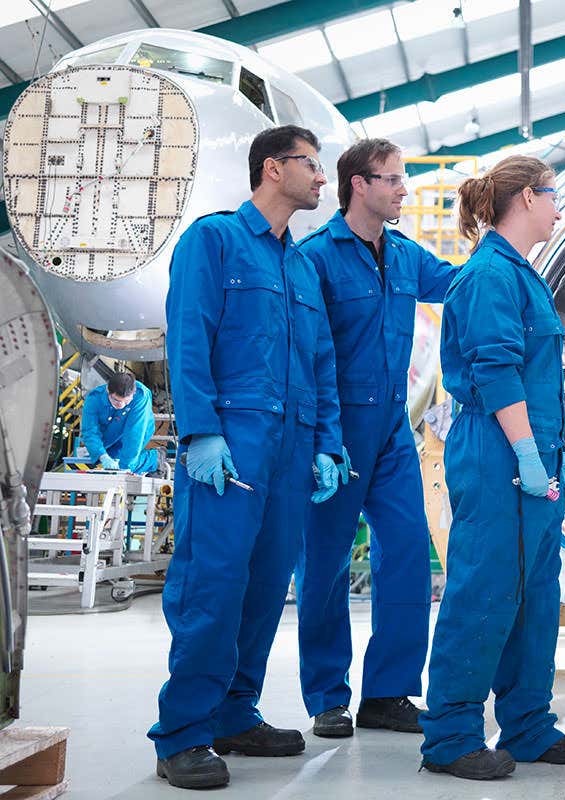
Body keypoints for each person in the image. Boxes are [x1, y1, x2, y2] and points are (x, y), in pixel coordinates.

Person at [148, 125, 346, 790]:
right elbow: (189, 335)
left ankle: (234, 712)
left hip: (290, 450)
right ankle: (182, 732)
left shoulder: (300, 265)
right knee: (215, 584)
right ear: (272, 168)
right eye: (311, 167)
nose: (322, 180)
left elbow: (320, 363)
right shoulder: (215, 240)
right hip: (232, 446)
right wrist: (200, 430)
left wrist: (326, 445)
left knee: (265, 588)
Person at [419, 155, 565, 780]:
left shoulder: (521, 274)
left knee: (534, 594)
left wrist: (549, 455)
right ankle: (450, 736)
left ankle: (527, 725)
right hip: (498, 447)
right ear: (524, 198)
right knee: (484, 589)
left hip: (530, 447)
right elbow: (496, 371)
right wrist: (524, 451)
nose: (558, 207)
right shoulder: (490, 275)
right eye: (553, 196)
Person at [295, 138, 457, 738]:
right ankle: (327, 696)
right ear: (358, 184)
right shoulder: (315, 258)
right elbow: (306, 355)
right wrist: (321, 440)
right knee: (325, 567)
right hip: (335, 434)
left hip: (392, 431)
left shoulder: (407, 256)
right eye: (392, 179)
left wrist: (507, 248)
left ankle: (388, 692)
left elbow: (462, 285)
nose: (404, 189)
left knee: (410, 554)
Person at [79, 372, 159, 474]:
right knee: (104, 465)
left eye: (126, 402)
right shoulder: (94, 399)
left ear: (133, 394)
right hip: (108, 436)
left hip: (137, 430)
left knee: (126, 465)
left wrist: (125, 469)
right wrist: (102, 455)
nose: (121, 405)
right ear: (108, 390)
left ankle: (154, 459)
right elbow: (90, 431)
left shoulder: (141, 395)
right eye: (116, 400)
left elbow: (134, 434)